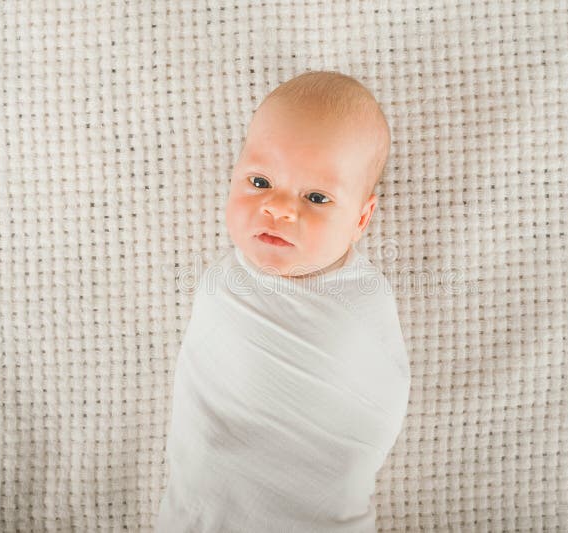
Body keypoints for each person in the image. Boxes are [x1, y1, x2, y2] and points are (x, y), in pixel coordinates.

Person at [156, 71, 411, 532]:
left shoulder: (362, 302)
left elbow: (377, 400)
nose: (279, 208)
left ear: (361, 218)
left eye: (316, 197)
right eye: (259, 181)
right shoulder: (223, 285)